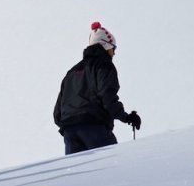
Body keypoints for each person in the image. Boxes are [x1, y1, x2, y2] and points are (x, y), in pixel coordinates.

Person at [54, 21, 141, 155]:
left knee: (80, 174)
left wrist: (71, 126)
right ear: (106, 46)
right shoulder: (104, 66)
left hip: (70, 132)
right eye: (113, 48)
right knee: (110, 167)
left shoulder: (71, 73)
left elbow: (57, 114)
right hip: (94, 127)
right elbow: (107, 97)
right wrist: (126, 117)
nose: (114, 53)